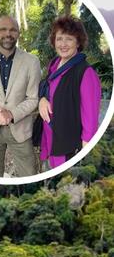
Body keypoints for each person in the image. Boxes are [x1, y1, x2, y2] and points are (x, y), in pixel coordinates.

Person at [0, 15, 40, 177]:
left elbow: (33, 98)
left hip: (20, 129)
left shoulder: (32, 62)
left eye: (13, 30)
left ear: (18, 33)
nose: (8, 33)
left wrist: (12, 114)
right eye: (3, 29)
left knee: (29, 175)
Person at [38, 16, 101, 169]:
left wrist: (84, 153)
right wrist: (42, 100)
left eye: (69, 39)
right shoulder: (55, 66)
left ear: (78, 42)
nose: (63, 44)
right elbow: (47, 89)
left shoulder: (85, 72)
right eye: (59, 38)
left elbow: (90, 121)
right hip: (52, 139)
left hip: (68, 147)